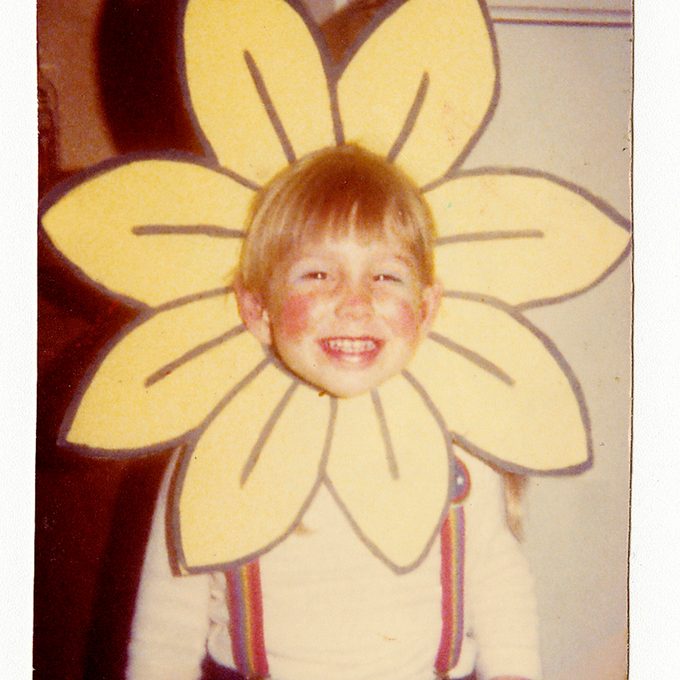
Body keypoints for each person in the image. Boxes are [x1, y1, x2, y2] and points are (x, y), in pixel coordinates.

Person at [125, 144, 542, 680]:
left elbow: (498, 584)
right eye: (318, 275)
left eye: (386, 276)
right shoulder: (218, 449)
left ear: (427, 307)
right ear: (257, 309)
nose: (355, 302)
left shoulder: (454, 446)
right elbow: (164, 632)